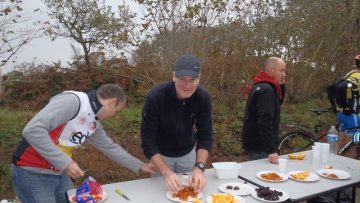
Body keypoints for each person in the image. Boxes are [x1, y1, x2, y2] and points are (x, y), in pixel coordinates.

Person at [11, 84, 157, 203]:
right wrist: (66, 163)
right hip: (32, 173)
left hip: (59, 173)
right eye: (116, 111)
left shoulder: (94, 122)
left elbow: (109, 147)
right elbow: (32, 130)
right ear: (112, 102)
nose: (113, 116)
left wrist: (139, 165)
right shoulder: (73, 101)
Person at [140, 54, 213, 193]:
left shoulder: (203, 97)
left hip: (188, 152)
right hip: (160, 155)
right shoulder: (155, 97)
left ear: (199, 78)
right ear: (174, 76)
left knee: (190, 192)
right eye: (182, 79)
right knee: (160, 194)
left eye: (192, 80)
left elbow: (206, 135)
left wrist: (199, 167)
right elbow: (147, 141)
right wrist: (166, 172)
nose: (187, 85)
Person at [242, 57, 286, 164]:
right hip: (261, 148)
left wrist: (282, 86)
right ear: (271, 70)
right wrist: (271, 150)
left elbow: (276, 104)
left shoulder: (260, 85)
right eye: (281, 70)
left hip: (256, 144)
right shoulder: (267, 90)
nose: (284, 74)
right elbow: (264, 122)